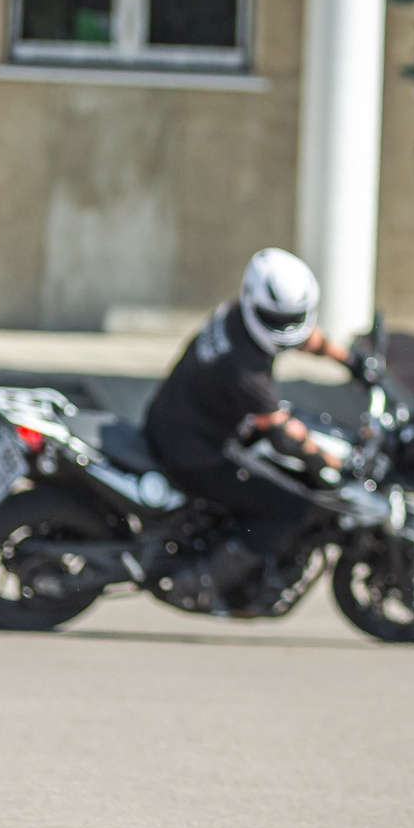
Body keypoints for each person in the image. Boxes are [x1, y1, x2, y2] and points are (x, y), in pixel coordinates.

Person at [144, 248, 352, 589]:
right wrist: (328, 460)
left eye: (292, 317)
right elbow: (283, 434)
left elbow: (301, 335)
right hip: (192, 453)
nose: (284, 329)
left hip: (173, 420)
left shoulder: (235, 314)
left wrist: (350, 359)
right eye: (277, 319)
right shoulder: (246, 370)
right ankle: (203, 581)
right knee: (290, 505)